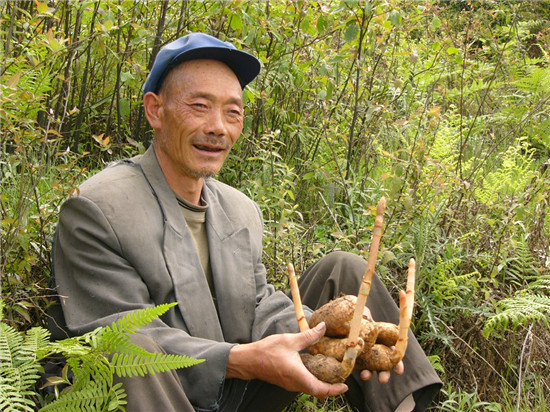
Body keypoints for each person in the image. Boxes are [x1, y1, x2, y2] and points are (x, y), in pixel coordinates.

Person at [50, 32, 441, 412]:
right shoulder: (99, 208)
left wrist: (323, 335)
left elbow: (257, 304)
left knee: (346, 270)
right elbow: (117, 336)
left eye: (232, 112)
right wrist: (239, 359)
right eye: (200, 106)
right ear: (156, 110)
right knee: (126, 348)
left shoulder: (239, 209)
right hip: (166, 395)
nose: (218, 126)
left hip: (239, 392)